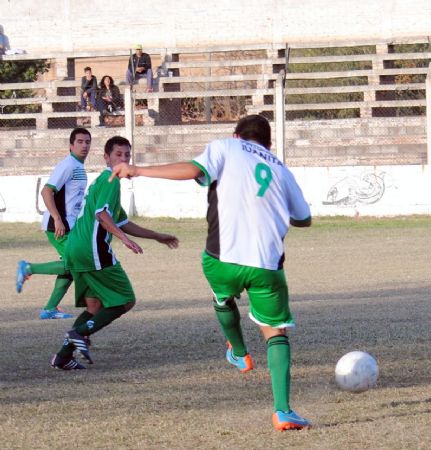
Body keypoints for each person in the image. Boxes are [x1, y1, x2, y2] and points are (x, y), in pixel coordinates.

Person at [109, 115, 313, 431]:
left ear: (237, 134)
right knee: (275, 332)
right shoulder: (281, 169)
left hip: (221, 258)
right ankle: (283, 411)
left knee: (222, 295)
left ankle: (241, 354)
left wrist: (137, 170)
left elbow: (194, 170)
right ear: (269, 143)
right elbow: (304, 219)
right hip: (267, 265)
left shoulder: (226, 147)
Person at [50, 136, 179, 370]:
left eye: (127, 155)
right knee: (126, 300)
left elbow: (121, 221)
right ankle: (79, 333)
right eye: (118, 155)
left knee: (94, 308)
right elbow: (102, 215)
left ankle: (63, 357)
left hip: (74, 250)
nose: (124, 159)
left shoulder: (101, 181)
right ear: (106, 157)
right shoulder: (111, 181)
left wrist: (157, 236)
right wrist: (124, 240)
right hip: (92, 251)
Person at [16, 127, 92, 320]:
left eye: (87, 142)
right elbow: (46, 191)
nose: (84, 145)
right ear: (71, 145)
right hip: (58, 225)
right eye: (80, 142)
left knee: (70, 266)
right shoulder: (67, 165)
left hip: (70, 226)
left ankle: (50, 309)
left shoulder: (78, 166)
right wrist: (57, 218)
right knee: (76, 264)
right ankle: (28, 268)